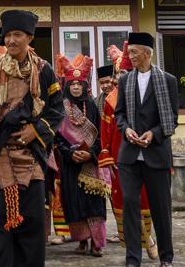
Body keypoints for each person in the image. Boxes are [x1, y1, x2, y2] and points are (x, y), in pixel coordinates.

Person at [0, 10, 65, 266]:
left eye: (17, 35)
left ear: (30, 38)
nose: (11, 40)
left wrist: (36, 130)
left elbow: (57, 109)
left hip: (32, 156)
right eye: (8, 35)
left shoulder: (44, 71)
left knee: (32, 223)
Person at [113, 32, 178, 267]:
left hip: (156, 154)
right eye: (129, 52)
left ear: (147, 53)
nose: (129, 56)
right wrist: (126, 129)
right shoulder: (125, 80)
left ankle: (166, 258)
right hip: (130, 155)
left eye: (133, 52)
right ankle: (133, 259)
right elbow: (118, 114)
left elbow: (172, 116)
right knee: (130, 203)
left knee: (161, 208)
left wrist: (154, 133)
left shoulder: (168, 80)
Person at [98, 46, 156, 255]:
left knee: (144, 198)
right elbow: (105, 131)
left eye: (127, 72)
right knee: (123, 199)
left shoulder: (148, 90)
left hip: (146, 153)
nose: (123, 76)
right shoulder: (110, 99)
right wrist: (107, 155)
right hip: (119, 156)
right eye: (120, 73)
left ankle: (147, 238)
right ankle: (133, 247)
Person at [53, 53, 110, 257]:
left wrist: (90, 154)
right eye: (72, 84)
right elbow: (57, 138)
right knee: (74, 203)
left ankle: (97, 243)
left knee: (93, 204)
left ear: (85, 86)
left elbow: (101, 136)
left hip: (91, 163)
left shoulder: (93, 106)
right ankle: (82, 241)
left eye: (79, 84)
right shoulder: (60, 108)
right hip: (70, 164)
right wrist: (69, 153)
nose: (76, 87)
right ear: (66, 86)